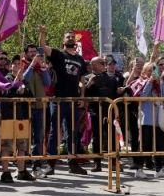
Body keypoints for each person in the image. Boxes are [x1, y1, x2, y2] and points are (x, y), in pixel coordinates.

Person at [41, 27, 89, 175]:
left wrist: (82, 97)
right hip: (58, 99)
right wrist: (42, 33)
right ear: (63, 40)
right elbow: (43, 47)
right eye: (68, 37)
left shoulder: (79, 59)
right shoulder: (58, 54)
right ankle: (50, 164)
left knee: (72, 133)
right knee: (55, 133)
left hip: (73, 101)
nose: (70, 38)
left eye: (72, 37)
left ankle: (73, 164)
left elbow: (82, 80)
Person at [83, 55, 122, 172]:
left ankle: (115, 162)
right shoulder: (88, 78)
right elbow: (84, 94)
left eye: (102, 63)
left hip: (109, 111)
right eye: (100, 63)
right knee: (97, 138)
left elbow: (115, 95)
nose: (103, 65)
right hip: (95, 112)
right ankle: (97, 163)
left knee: (112, 137)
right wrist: (89, 84)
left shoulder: (112, 78)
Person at [0, 57, 34, 182]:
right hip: (8, 116)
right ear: (10, 66)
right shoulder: (6, 79)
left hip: (21, 117)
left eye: (20, 64)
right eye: (15, 64)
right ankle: (5, 172)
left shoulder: (24, 79)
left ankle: (22, 171)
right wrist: (15, 87)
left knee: (22, 146)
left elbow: (31, 96)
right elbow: (5, 94)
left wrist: (24, 89)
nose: (18, 66)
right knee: (7, 146)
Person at [131, 61, 164, 177]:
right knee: (144, 144)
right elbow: (142, 96)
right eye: (149, 71)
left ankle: (159, 169)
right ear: (144, 72)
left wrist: (160, 82)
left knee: (160, 144)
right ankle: (139, 169)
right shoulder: (141, 82)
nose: (152, 73)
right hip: (146, 119)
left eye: (154, 71)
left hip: (158, 119)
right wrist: (150, 81)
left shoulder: (160, 83)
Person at [20, 42, 52, 177]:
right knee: (24, 138)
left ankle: (36, 166)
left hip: (39, 107)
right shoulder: (22, 65)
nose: (34, 54)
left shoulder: (40, 67)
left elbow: (48, 83)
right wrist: (32, 65)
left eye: (35, 52)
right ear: (26, 53)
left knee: (38, 138)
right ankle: (22, 167)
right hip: (25, 108)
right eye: (31, 52)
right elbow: (24, 80)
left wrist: (44, 69)